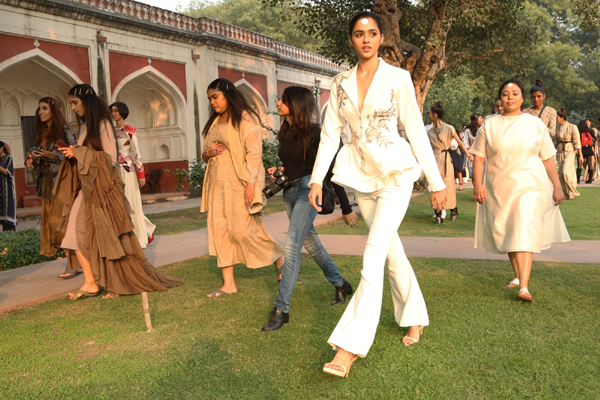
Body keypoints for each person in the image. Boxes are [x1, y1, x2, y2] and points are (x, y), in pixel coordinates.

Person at [307, 12, 447, 378]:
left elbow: (416, 131)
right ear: (351, 40)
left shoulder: (398, 78)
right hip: (361, 176)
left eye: (371, 33)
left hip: (397, 173)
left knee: (372, 253)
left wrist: (438, 183)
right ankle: (414, 316)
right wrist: (317, 179)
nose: (365, 39)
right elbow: (330, 135)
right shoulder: (339, 83)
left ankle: (347, 347)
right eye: (358, 34)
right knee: (390, 251)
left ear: (381, 37)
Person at [55, 84, 183, 300]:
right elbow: (85, 156)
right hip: (86, 188)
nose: (73, 108)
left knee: (109, 238)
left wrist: (78, 152)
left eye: (75, 103)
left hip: (103, 190)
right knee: (72, 237)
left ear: (87, 102)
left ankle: (112, 282)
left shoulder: (103, 125)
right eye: (71, 104)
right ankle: (90, 283)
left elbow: (110, 159)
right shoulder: (86, 127)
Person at [261, 86, 357, 331]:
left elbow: (332, 170)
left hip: (308, 191)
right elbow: (293, 165)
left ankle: (281, 309)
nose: (279, 103)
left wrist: (345, 207)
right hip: (290, 192)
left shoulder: (316, 132)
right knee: (311, 243)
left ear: (296, 104)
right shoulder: (285, 132)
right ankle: (340, 283)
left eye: (283, 100)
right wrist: (279, 171)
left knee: (292, 246)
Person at [471, 78, 569, 303]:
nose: (510, 97)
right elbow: (479, 157)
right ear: (500, 99)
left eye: (515, 93)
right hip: (498, 186)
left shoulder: (535, 125)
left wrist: (557, 186)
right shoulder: (489, 124)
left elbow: (547, 157)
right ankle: (518, 276)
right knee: (508, 229)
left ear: (522, 98)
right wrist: (477, 184)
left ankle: (524, 286)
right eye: (506, 93)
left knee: (524, 226)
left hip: (530, 185)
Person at [200, 78, 284, 298]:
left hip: (240, 183)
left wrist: (250, 186)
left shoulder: (246, 118)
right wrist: (207, 153)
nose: (212, 102)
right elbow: (204, 154)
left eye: (215, 97)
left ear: (228, 94)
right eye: (210, 99)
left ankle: (278, 256)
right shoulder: (215, 121)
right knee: (220, 231)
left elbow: (254, 154)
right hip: (217, 185)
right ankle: (229, 284)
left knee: (242, 231)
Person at [25, 97, 80, 279]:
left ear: (54, 111)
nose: (40, 111)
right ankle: (74, 262)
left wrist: (49, 155)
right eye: (39, 108)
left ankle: (74, 264)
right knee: (53, 224)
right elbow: (43, 157)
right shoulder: (43, 133)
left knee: (63, 223)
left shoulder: (65, 131)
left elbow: (74, 156)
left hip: (62, 182)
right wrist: (32, 161)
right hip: (47, 182)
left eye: (44, 108)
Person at [109, 101, 156, 248]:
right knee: (120, 205)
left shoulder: (129, 129)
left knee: (131, 203)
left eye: (116, 110)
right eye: (112, 111)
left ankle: (139, 236)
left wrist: (141, 175)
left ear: (122, 112)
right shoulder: (110, 131)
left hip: (128, 170)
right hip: (115, 170)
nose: (113, 113)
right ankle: (147, 229)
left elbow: (137, 152)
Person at [427, 102, 473, 224]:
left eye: (430, 113)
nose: (429, 115)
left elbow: (460, 142)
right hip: (435, 160)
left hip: (446, 159)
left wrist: (468, 154)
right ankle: (438, 214)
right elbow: (425, 147)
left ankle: (453, 208)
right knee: (435, 186)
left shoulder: (448, 128)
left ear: (435, 115)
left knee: (449, 186)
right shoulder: (430, 131)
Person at [555, 108, 582, 200]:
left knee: (566, 170)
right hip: (560, 151)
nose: (556, 119)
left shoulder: (572, 127)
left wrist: (580, 155)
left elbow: (577, 142)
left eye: (557, 117)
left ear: (562, 118)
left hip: (570, 150)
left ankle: (571, 191)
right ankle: (566, 192)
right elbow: (555, 141)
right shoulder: (557, 128)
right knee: (561, 173)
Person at [0, 141, 16, 231]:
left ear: (2, 147)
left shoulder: (8, 158)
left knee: (8, 212)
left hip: (6, 188)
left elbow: (8, 172)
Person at [464, 114, 482, 179]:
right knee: (473, 174)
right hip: (471, 155)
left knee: (482, 174)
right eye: (480, 118)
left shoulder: (482, 129)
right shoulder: (468, 131)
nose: (482, 120)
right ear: (476, 120)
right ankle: (476, 188)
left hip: (482, 155)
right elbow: (465, 143)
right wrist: (469, 154)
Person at [578, 119, 596, 184]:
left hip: (581, 148)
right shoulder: (590, 130)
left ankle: (578, 179)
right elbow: (595, 138)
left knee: (579, 163)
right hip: (588, 148)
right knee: (590, 163)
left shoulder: (579, 131)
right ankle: (590, 179)